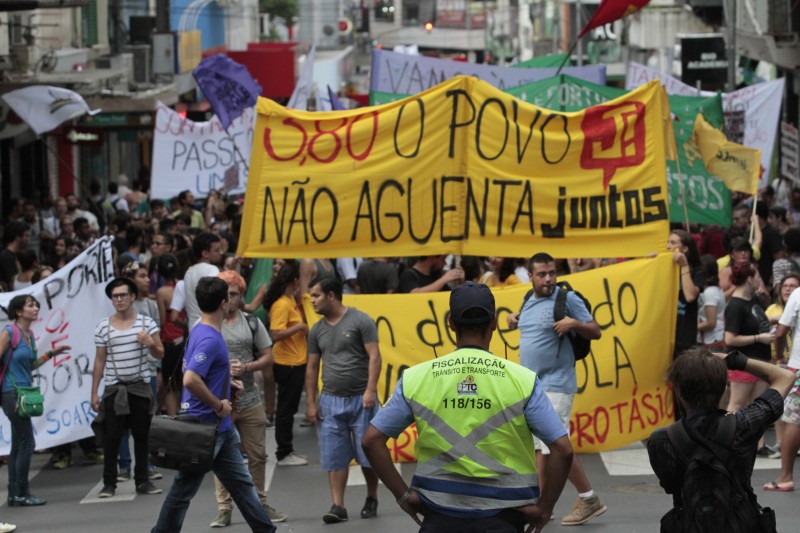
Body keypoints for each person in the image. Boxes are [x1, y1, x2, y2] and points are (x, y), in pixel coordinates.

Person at [362, 281, 574, 533]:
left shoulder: (416, 378)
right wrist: (544, 509)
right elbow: (563, 450)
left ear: (451, 323)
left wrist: (404, 496)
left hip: (438, 515)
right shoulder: (523, 380)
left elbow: (371, 440)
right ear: (494, 322)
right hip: (504, 518)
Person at [152, 277, 276, 533]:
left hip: (221, 428)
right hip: (204, 425)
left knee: (241, 485)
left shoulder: (199, 330)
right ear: (224, 303)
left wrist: (226, 381)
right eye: (230, 296)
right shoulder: (209, 338)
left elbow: (197, 372)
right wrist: (219, 404)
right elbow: (190, 379)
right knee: (182, 491)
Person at [506, 252, 606, 526]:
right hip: (533, 385)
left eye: (552, 273)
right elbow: (531, 329)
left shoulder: (567, 299)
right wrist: (513, 320)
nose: (548, 279)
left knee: (548, 447)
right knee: (549, 446)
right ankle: (587, 498)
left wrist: (574, 323)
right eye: (542, 274)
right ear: (530, 276)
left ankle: (539, 506)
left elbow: (595, 331)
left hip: (557, 384)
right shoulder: (528, 300)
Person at [647, 347, 795, 528]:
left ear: (678, 391)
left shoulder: (661, 441)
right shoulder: (744, 425)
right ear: (722, 388)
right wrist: (734, 361)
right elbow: (785, 377)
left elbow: (670, 485)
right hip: (740, 523)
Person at [209, 270, 288, 528]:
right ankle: (224, 508)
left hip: (250, 399)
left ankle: (260, 502)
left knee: (258, 455)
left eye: (233, 294)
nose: (228, 299)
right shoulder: (208, 325)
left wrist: (246, 367)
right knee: (220, 457)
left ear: (241, 296)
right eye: (225, 294)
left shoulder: (252, 322)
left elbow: (269, 357)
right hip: (220, 403)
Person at [305, 275, 382, 523]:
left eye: (315, 295)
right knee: (334, 456)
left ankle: (372, 497)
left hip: (362, 401)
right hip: (330, 401)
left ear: (331, 295)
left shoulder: (360, 321)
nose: (312, 301)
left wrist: (370, 390)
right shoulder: (316, 330)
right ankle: (338, 506)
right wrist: (311, 403)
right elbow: (312, 368)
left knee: (368, 454)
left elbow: (375, 357)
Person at [91, 278, 164, 498]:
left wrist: (150, 343)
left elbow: (160, 352)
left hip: (139, 387)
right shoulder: (103, 326)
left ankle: (143, 480)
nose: (119, 300)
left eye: (123, 295)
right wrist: (94, 391)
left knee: (142, 435)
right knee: (112, 436)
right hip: (115, 389)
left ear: (132, 297)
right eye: (115, 296)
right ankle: (109, 483)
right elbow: (99, 360)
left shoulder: (146, 324)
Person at [0, 294, 69, 506]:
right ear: (19, 311)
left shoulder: (28, 334)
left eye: (35, 304)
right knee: (27, 443)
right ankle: (22, 492)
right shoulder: (10, 332)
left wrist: (50, 354)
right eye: (30, 305)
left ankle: (15, 494)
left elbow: (28, 366)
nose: (35, 308)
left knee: (19, 445)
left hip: (24, 392)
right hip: (11, 392)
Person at [264, 261, 309, 466]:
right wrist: (299, 327)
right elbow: (276, 333)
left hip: (295, 360)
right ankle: (283, 452)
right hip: (287, 362)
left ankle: (287, 449)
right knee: (286, 409)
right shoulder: (281, 304)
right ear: (294, 280)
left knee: (288, 408)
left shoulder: (290, 300)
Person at [173, 232, 222, 330]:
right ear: (205, 254)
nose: (221, 253)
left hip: (193, 328)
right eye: (217, 250)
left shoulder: (189, 272)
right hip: (210, 327)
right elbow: (216, 297)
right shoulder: (212, 270)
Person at [667, 230, 704, 355]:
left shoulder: (698, 270)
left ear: (685, 248)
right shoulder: (665, 267)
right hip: (664, 337)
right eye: (668, 242)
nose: (668, 246)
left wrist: (684, 265)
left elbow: (689, 296)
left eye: (673, 243)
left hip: (684, 339)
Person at [697, 254, 726, 352]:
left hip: (713, 341)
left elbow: (710, 322)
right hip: (713, 339)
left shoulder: (710, 292)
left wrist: (691, 328)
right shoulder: (714, 290)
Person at [397, 255, 464, 293]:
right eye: (443, 259)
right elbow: (415, 294)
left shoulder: (435, 276)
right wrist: (444, 279)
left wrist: (461, 282)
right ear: (432, 258)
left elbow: (453, 296)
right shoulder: (408, 275)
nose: (445, 263)